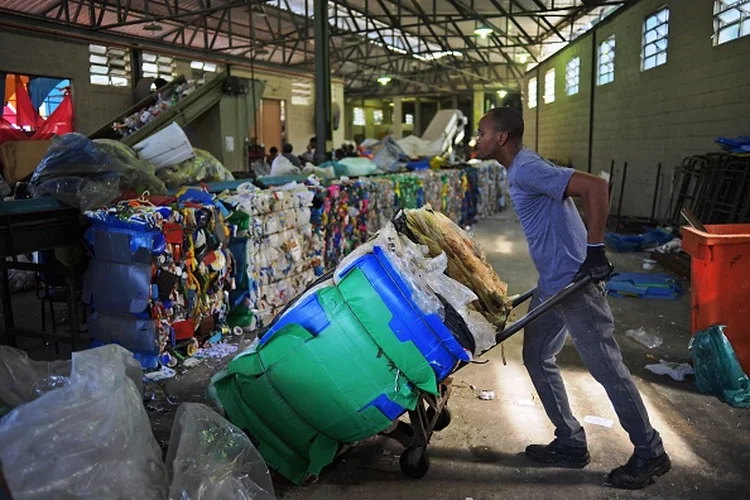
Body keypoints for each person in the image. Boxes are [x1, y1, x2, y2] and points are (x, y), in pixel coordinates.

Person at [475, 107, 670, 490]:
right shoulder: (521, 170)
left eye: (481, 132)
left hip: (576, 284)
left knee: (607, 369)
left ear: (500, 138)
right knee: (535, 355)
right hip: (555, 282)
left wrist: (594, 250)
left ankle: (651, 452)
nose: (476, 140)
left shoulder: (527, 168)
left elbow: (596, 187)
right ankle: (570, 441)